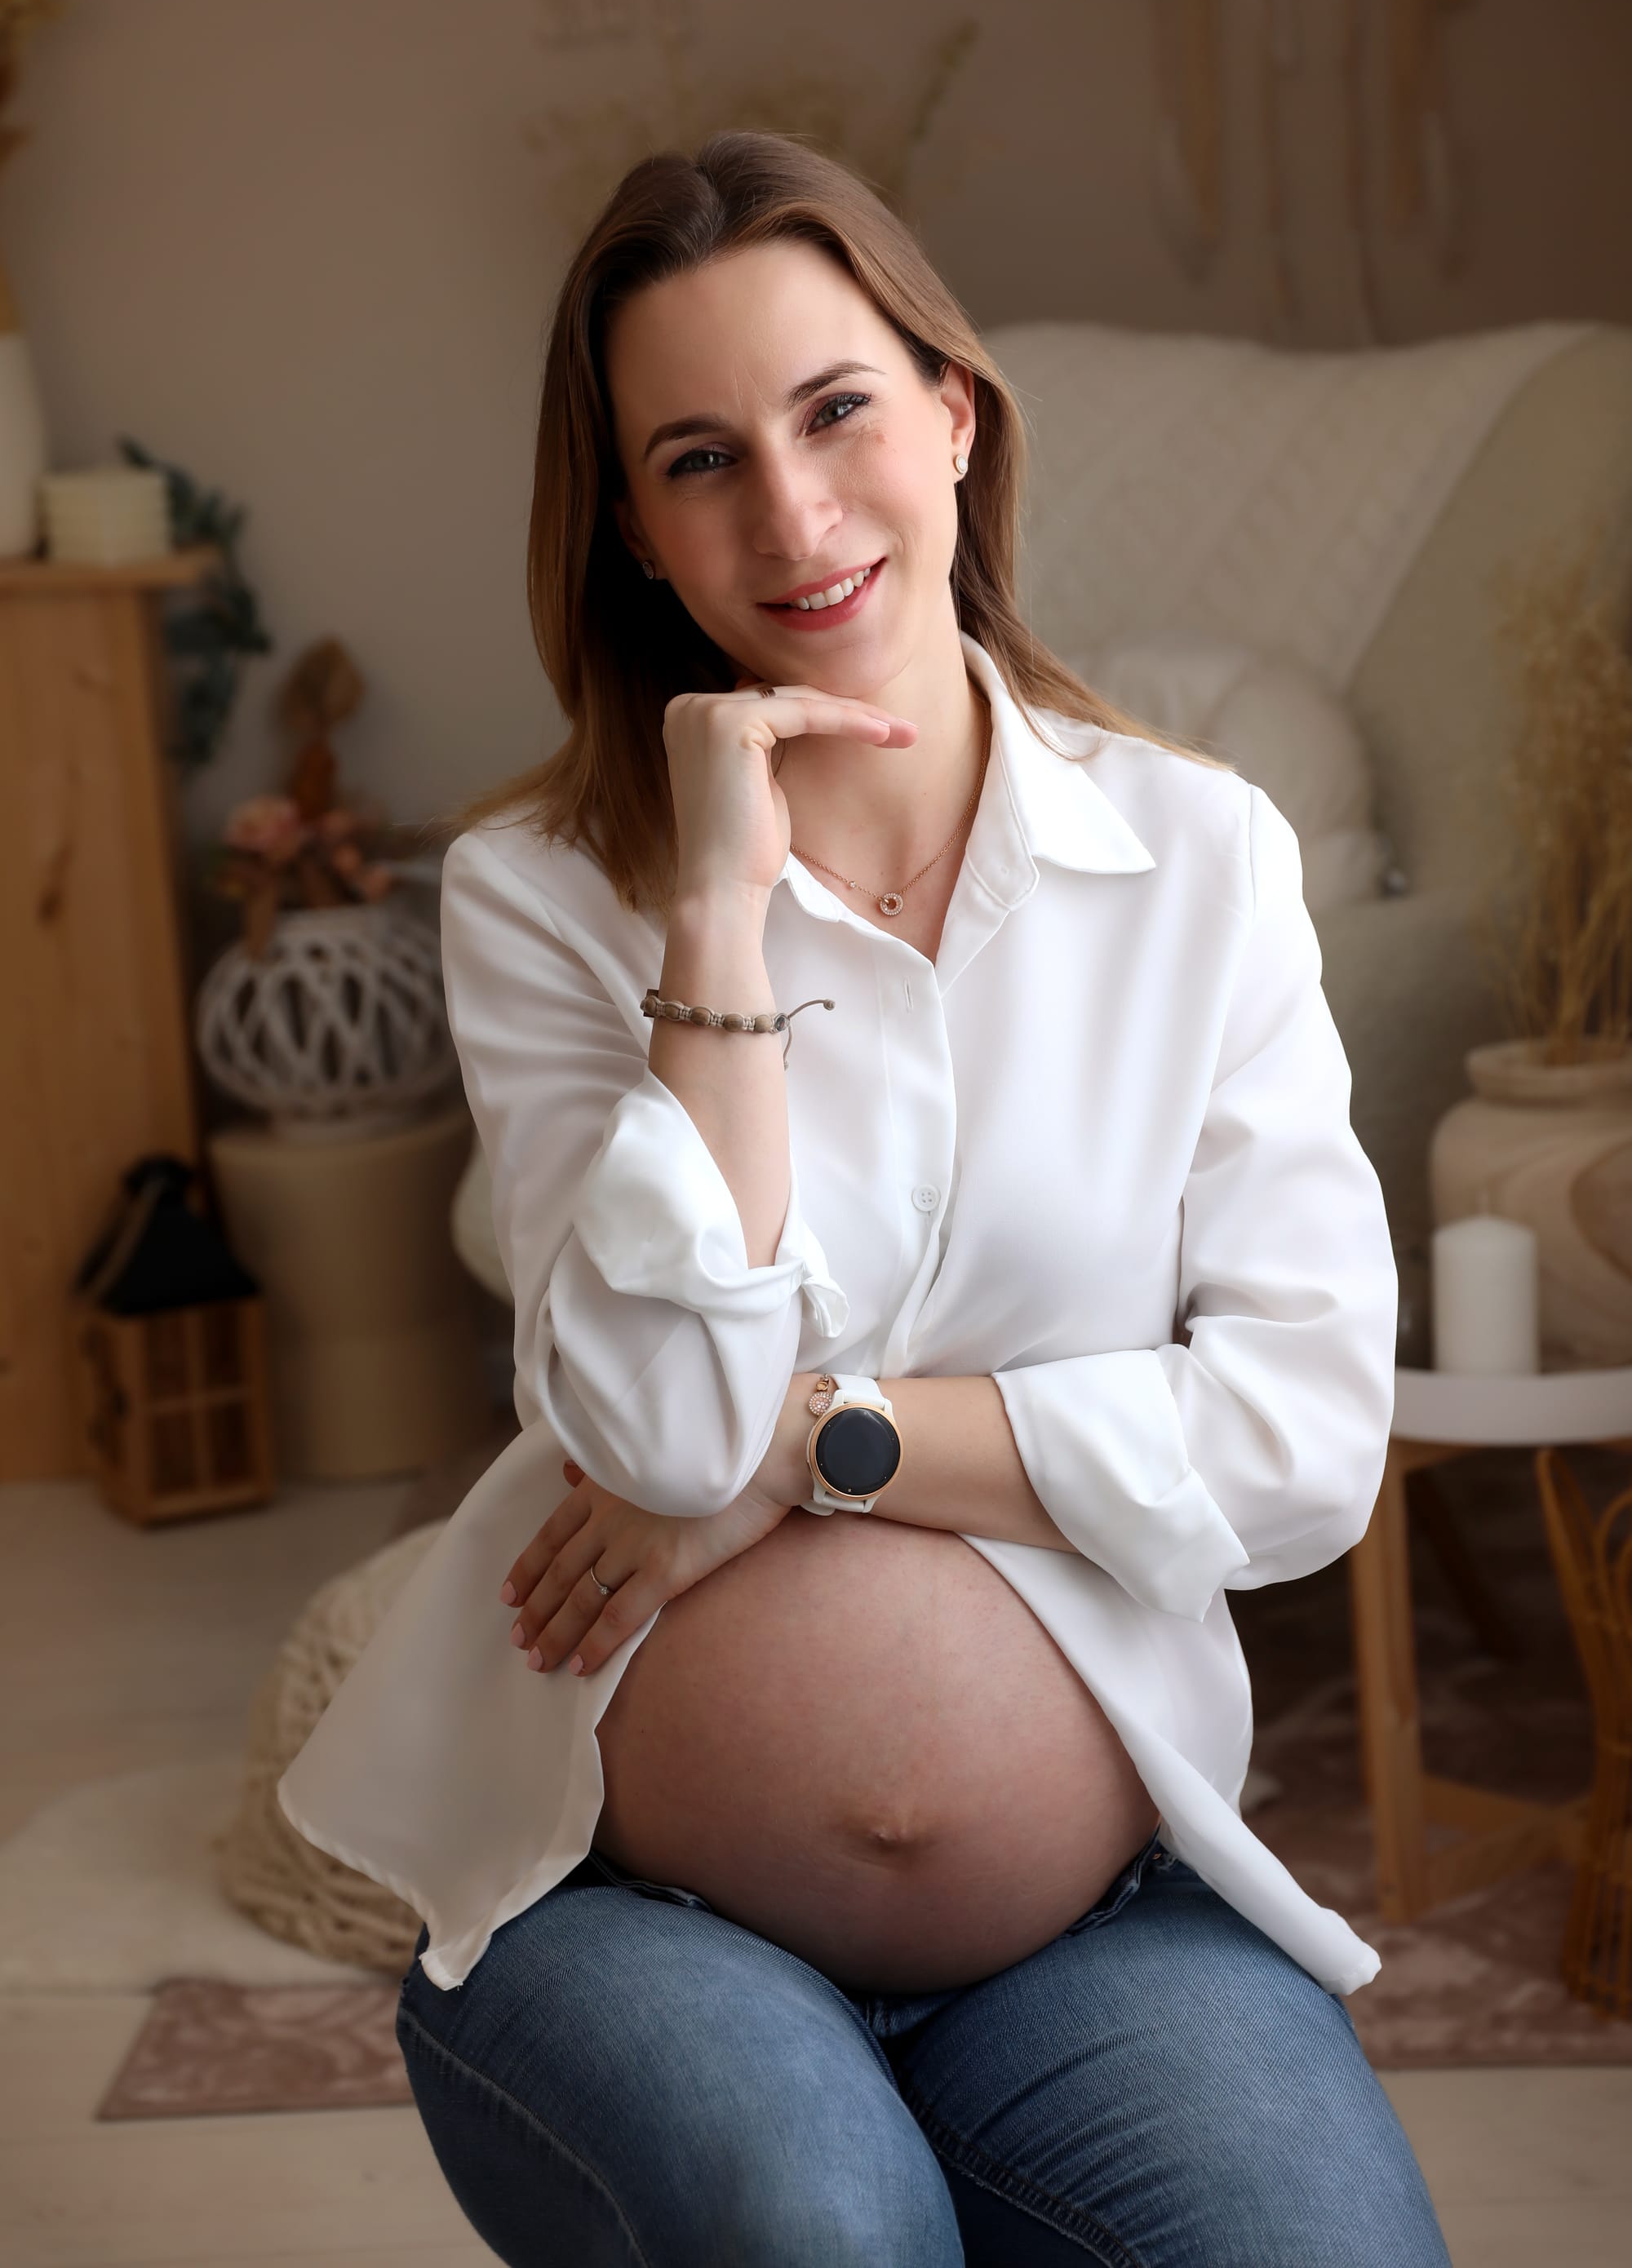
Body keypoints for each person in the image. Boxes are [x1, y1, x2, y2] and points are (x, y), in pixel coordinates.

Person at [277, 130, 1452, 2266]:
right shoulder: (541, 895)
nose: (794, 516)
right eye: (700, 460)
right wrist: (715, 925)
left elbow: (1303, 1444)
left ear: (956, 413)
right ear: (633, 530)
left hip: (1097, 1917)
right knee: (818, 2228)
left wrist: (824, 1446)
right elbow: (658, 1440)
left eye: (837, 412)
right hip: (628, 1893)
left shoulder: (1202, 860)